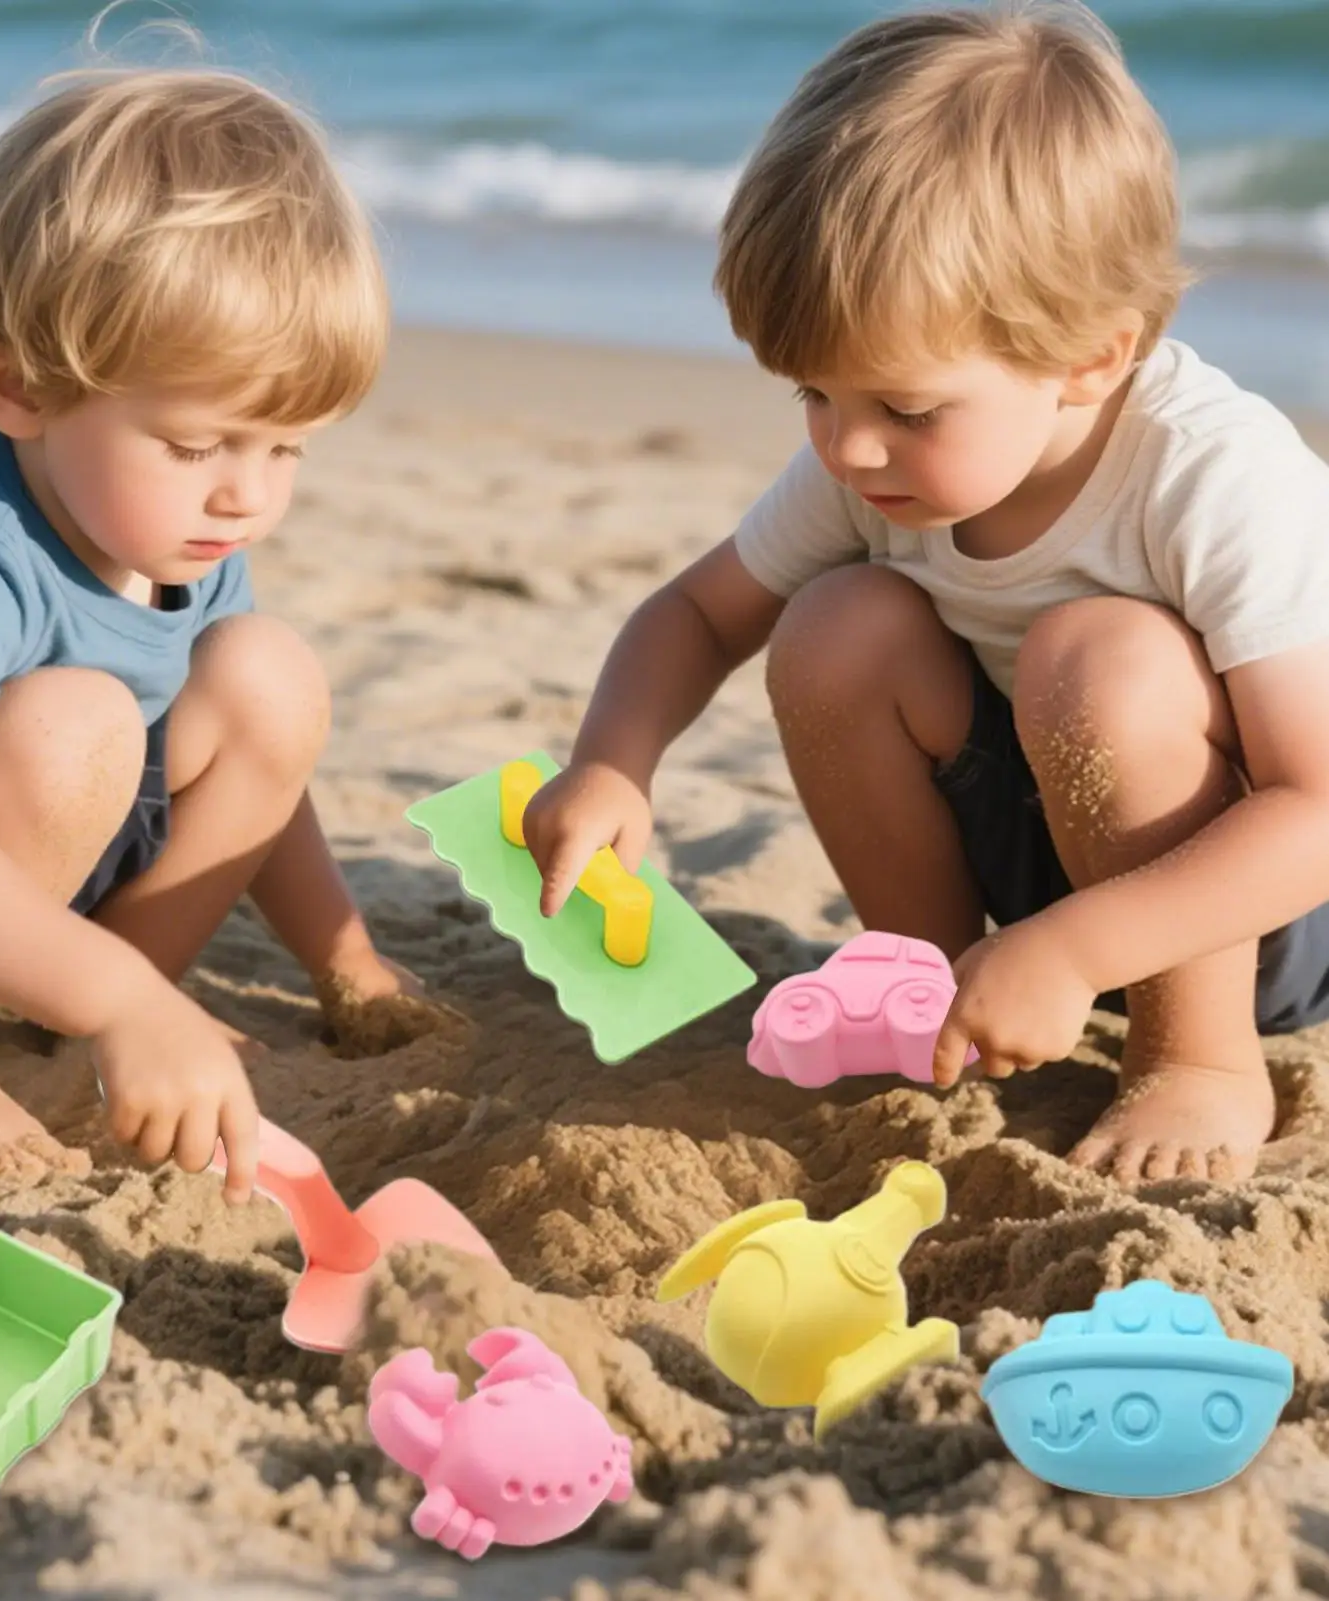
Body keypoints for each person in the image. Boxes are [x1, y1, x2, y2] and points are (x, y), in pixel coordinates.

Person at [522, 1, 1329, 1186]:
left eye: (902, 408)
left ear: (1089, 358)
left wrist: (1081, 944)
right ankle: (924, 987)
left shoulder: (1209, 472)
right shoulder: (871, 464)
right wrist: (611, 759)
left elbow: (1313, 805)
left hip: (1238, 907)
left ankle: (1196, 1060)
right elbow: (694, 615)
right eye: (813, 394)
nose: (846, 450)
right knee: (834, 625)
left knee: (1095, 654)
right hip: (1043, 875)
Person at [0, 65, 427, 1191]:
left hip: (27, 843)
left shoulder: (180, 533)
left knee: (268, 675)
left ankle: (90, 1018)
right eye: (199, 446)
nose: (246, 495)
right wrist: (125, 997)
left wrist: (342, 956)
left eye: (285, 447)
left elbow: (268, 770)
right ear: (20, 391)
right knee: (76, 714)